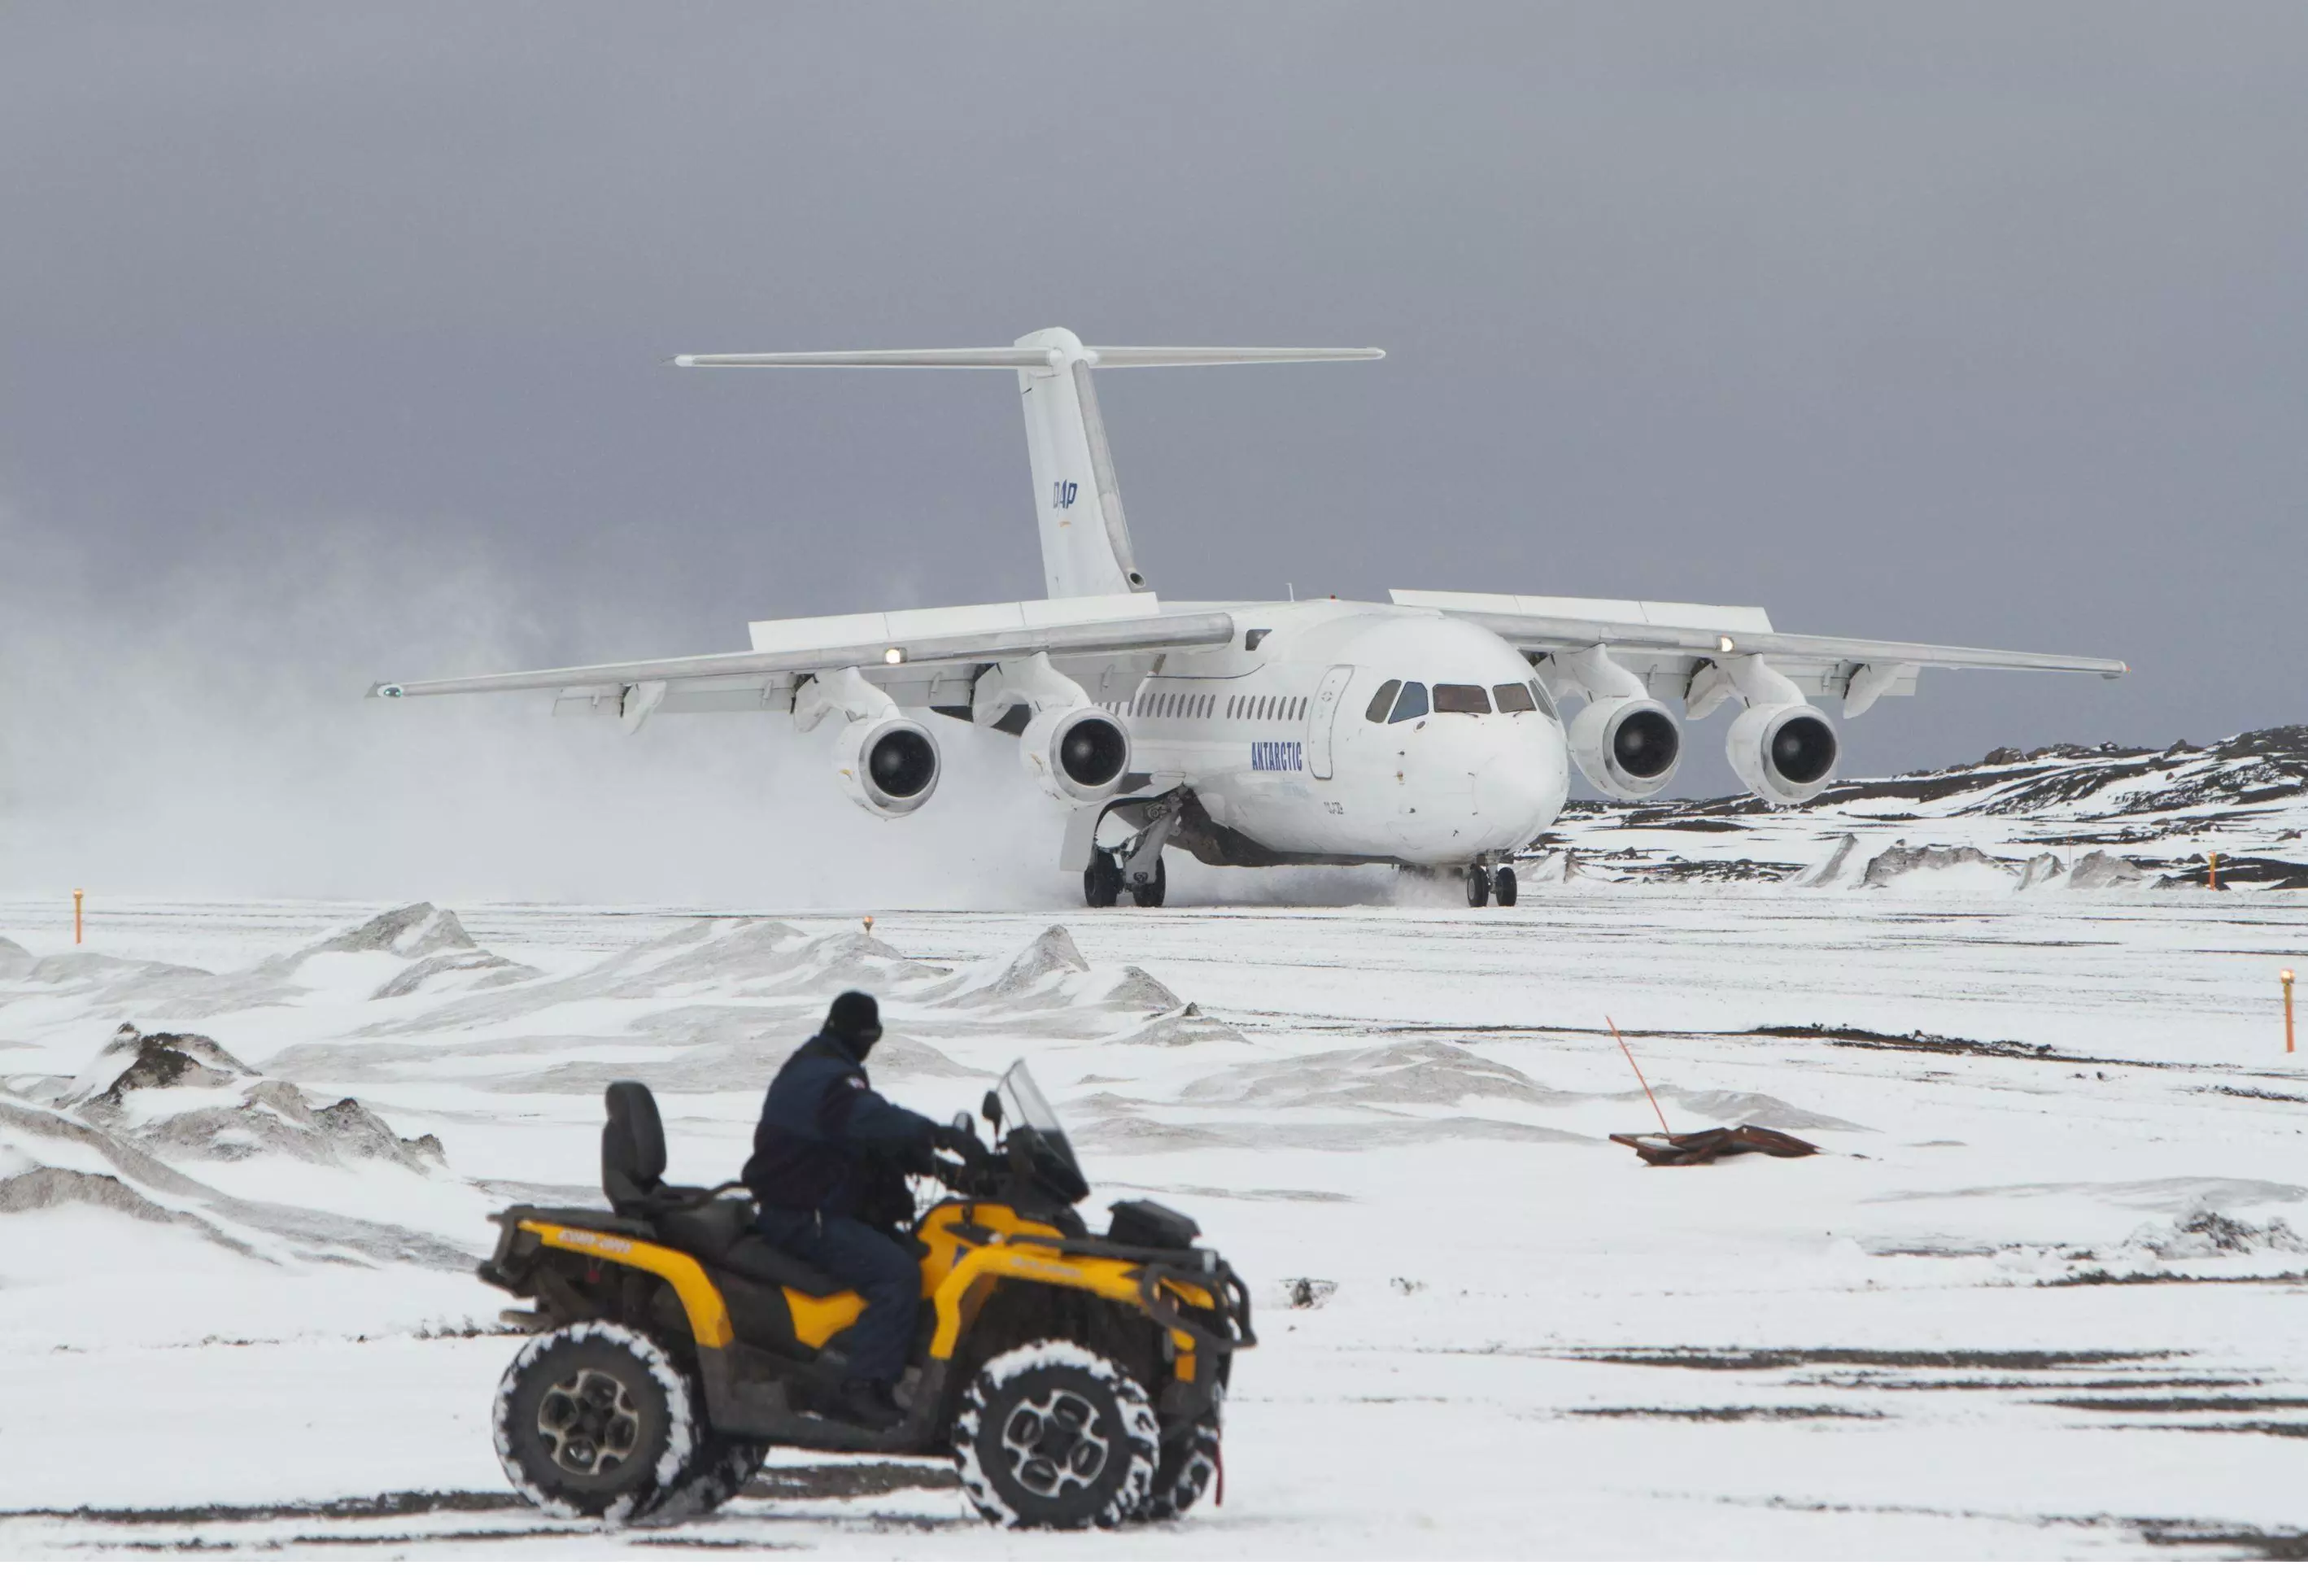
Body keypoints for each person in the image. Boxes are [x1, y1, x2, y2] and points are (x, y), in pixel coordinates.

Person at [742, 991, 971, 1429]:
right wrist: (939, 1135)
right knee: (897, 1275)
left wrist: (935, 1166)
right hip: (801, 1215)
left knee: (915, 1249)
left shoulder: (828, 1067)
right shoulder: (823, 1077)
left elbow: (861, 1137)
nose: (871, 1043)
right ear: (858, 1034)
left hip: (818, 1207)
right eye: (871, 1036)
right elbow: (870, 1119)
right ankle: (863, 1388)